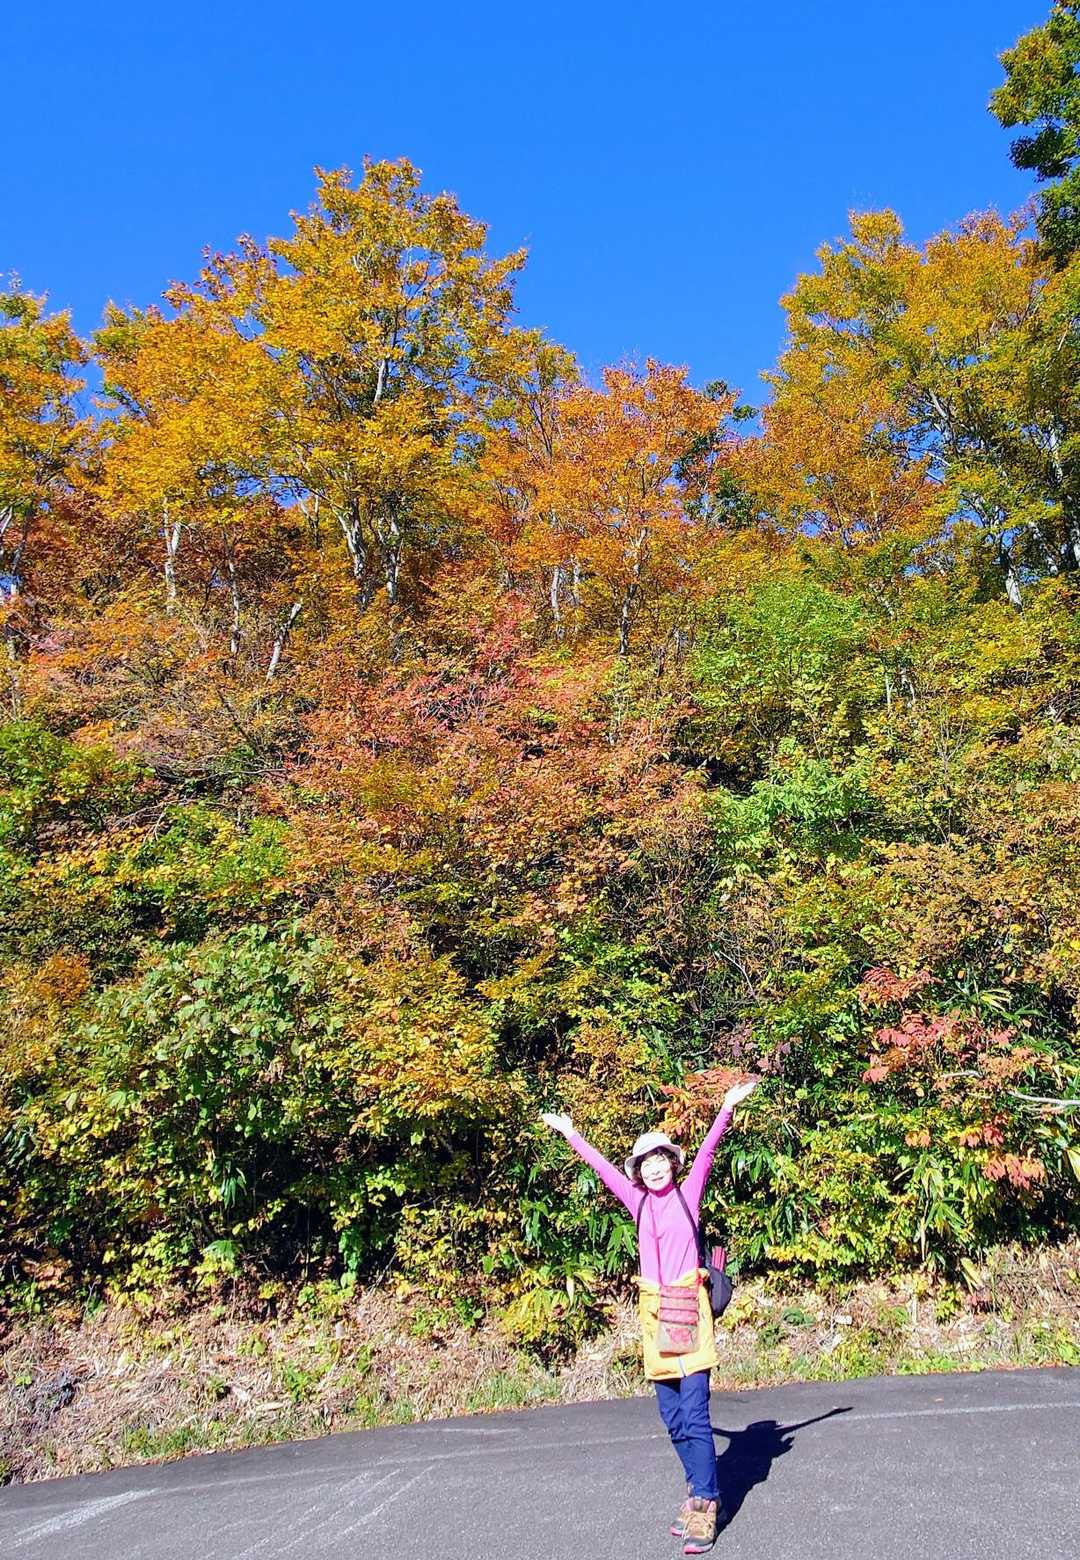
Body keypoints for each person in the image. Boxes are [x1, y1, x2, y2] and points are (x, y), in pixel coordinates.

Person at [541, 1078, 758, 1555]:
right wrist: (571, 1132)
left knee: (695, 1415)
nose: (655, 1167)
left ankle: (706, 1502)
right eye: (646, 1162)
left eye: (661, 1159)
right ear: (639, 1172)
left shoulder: (688, 1193)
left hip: (689, 1310)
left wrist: (726, 1107)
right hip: (654, 1313)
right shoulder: (636, 1201)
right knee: (673, 1419)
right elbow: (601, 1169)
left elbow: (708, 1152)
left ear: (672, 1165)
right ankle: (697, 1486)